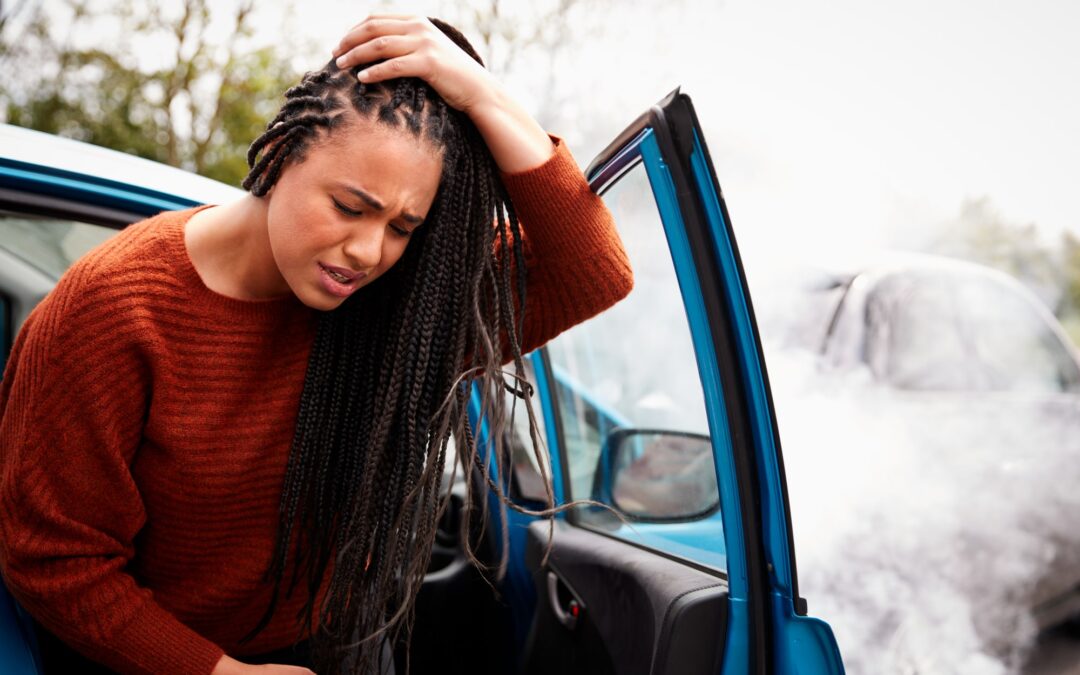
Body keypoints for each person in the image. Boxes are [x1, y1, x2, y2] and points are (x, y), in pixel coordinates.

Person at [0, 14, 633, 675]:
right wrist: (219, 672)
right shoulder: (112, 310)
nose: (368, 251)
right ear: (280, 156)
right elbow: (51, 560)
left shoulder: (396, 304)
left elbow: (592, 270)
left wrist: (484, 94)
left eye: (402, 226)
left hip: (337, 644)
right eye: (350, 206)